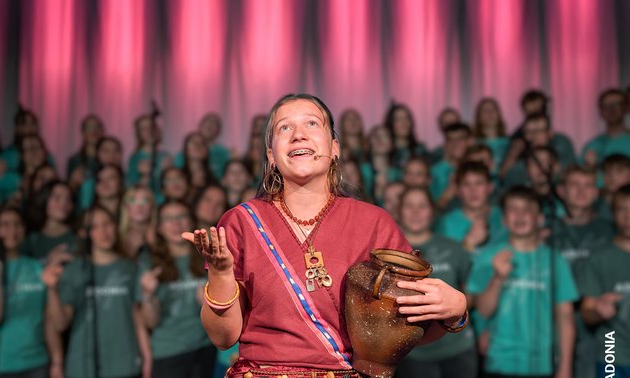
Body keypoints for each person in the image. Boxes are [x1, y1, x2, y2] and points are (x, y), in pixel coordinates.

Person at [182, 94, 467, 377]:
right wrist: (220, 273)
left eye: (312, 124)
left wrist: (455, 311)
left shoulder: (374, 223)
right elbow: (223, 338)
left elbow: (403, 330)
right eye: (284, 128)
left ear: (334, 148)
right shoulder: (241, 222)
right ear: (271, 156)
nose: (298, 135)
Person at [468, 186, 578, 378]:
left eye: (527, 209)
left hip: (542, 363)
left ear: (540, 219)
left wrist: (565, 366)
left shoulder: (555, 260)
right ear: (503, 219)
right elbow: (483, 310)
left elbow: (565, 316)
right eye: (513, 209)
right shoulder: (488, 256)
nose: (520, 215)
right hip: (499, 361)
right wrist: (498, 278)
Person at [45, 205, 152, 378]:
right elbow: (60, 323)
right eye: (94, 227)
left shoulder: (130, 267)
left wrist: (147, 358)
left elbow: (137, 318)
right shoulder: (74, 270)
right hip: (83, 365)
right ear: (83, 233)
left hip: (125, 362)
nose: (103, 232)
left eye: (107, 224)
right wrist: (52, 290)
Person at [0, 204, 62, 378]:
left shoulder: (36, 267)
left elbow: (48, 321)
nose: (12, 230)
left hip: (34, 362)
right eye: (5, 224)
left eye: (18, 224)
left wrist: (57, 362)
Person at [395, 187, 476, 378]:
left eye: (422, 206)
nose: (415, 212)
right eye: (409, 206)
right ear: (399, 211)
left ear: (432, 211)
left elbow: (470, 296)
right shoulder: (391, 253)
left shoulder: (454, 249)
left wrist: (450, 308)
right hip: (412, 354)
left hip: (458, 349)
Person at [551, 165, 614, 378]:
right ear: (561, 190)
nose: (581, 191)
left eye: (587, 185)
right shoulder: (547, 232)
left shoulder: (611, 230)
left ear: (597, 192)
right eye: (574, 185)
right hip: (557, 320)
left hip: (603, 323)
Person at [142, 201, 215, 378]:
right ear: (159, 227)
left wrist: (210, 304)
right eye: (168, 219)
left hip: (206, 348)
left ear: (191, 221)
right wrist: (148, 295)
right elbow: (151, 323)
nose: (176, 224)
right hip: (169, 352)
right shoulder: (149, 261)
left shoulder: (208, 254)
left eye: (181, 216)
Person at [580, 184, 630, 377]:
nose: (628, 217)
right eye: (622, 209)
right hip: (612, 354)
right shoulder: (599, 258)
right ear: (613, 214)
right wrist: (598, 312)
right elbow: (587, 313)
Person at [436, 161, 507, 252]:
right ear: (458, 191)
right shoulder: (446, 223)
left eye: (479, 183)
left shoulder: (504, 217)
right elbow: (443, 263)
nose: (473, 190)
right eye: (466, 184)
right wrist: (468, 243)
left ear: (490, 187)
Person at [429, 123, 473, 210]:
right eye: (450, 140)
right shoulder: (434, 172)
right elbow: (430, 209)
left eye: (460, 139)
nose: (455, 143)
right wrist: (450, 191)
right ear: (445, 144)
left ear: (469, 142)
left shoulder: (477, 168)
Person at [582, 88, 630, 168]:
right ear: (600, 112)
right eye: (606, 106)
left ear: (625, 108)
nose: (611, 109)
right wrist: (589, 167)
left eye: (616, 104)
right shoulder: (592, 145)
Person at [472, 98, 509, 171]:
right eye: (485, 111)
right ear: (478, 117)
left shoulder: (510, 143)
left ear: (499, 114)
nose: (490, 113)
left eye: (493, 109)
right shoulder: (472, 143)